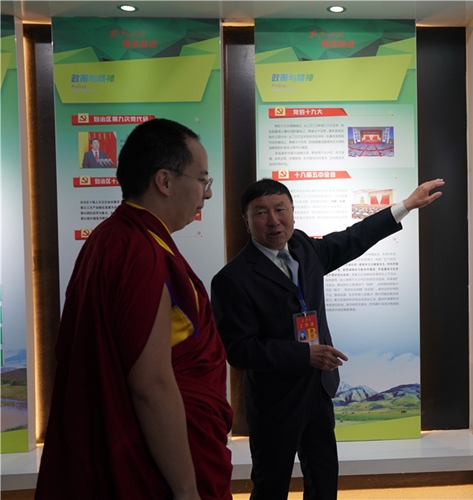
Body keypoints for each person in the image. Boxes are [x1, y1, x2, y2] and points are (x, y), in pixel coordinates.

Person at [211, 177, 444, 499]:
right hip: (274, 401)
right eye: (261, 213)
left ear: (292, 212)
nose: (274, 220)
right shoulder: (232, 279)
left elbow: (353, 238)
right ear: (247, 221)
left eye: (280, 209)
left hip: (318, 390)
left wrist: (405, 206)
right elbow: (240, 350)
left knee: (323, 479)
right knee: (271, 485)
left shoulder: (304, 248)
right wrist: (304, 355)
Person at [36, 119, 233, 500]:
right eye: (203, 179)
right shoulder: (141, 252)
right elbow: (151, 385)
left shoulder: (109, 238)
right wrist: (187, 490)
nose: (207, 193)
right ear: (165, 181)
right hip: (156, 459)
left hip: (118, 440)